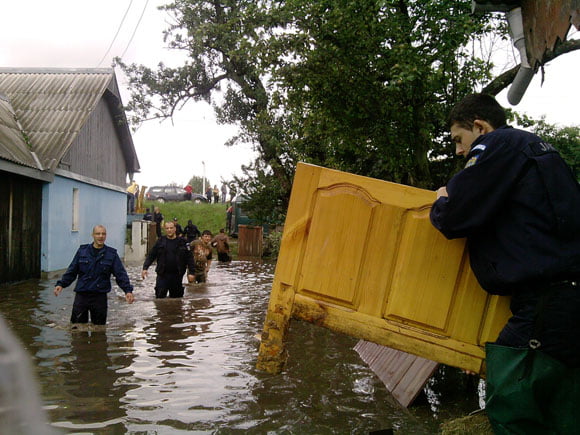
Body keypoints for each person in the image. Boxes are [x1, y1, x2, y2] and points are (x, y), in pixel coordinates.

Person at [430, 94, 580, 431]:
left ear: (480, 127)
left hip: (545, 302)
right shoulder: (540, 150)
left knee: (512, 404)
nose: (459, 151)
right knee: (563, 412)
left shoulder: (497, 144)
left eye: (459, 139)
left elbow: (455, 216)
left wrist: (441, 201)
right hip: (566, 298)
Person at [54, 225, 134, 325]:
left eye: (103, 234)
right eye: (98, 234)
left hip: (99, 297)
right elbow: (72, 270)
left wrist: (127, 290)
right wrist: (61, 284)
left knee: (99, 328)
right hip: (82, 295)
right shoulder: (82, 251)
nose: (101, 236)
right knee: (76, 327)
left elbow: (120, 274)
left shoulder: (111, 254)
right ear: (93, 235)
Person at [142, 221, 194, 298]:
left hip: (177, 275)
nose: (169, 230)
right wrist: (145, 268)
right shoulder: (160, 241)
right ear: (165, 230)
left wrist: (191, 273)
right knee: (160, 298)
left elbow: (190, 258)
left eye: (171, 228)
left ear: (175, 229)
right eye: (167, 228)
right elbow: (151, 255)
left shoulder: (183, 242)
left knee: (176, 299)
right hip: (162, 274)